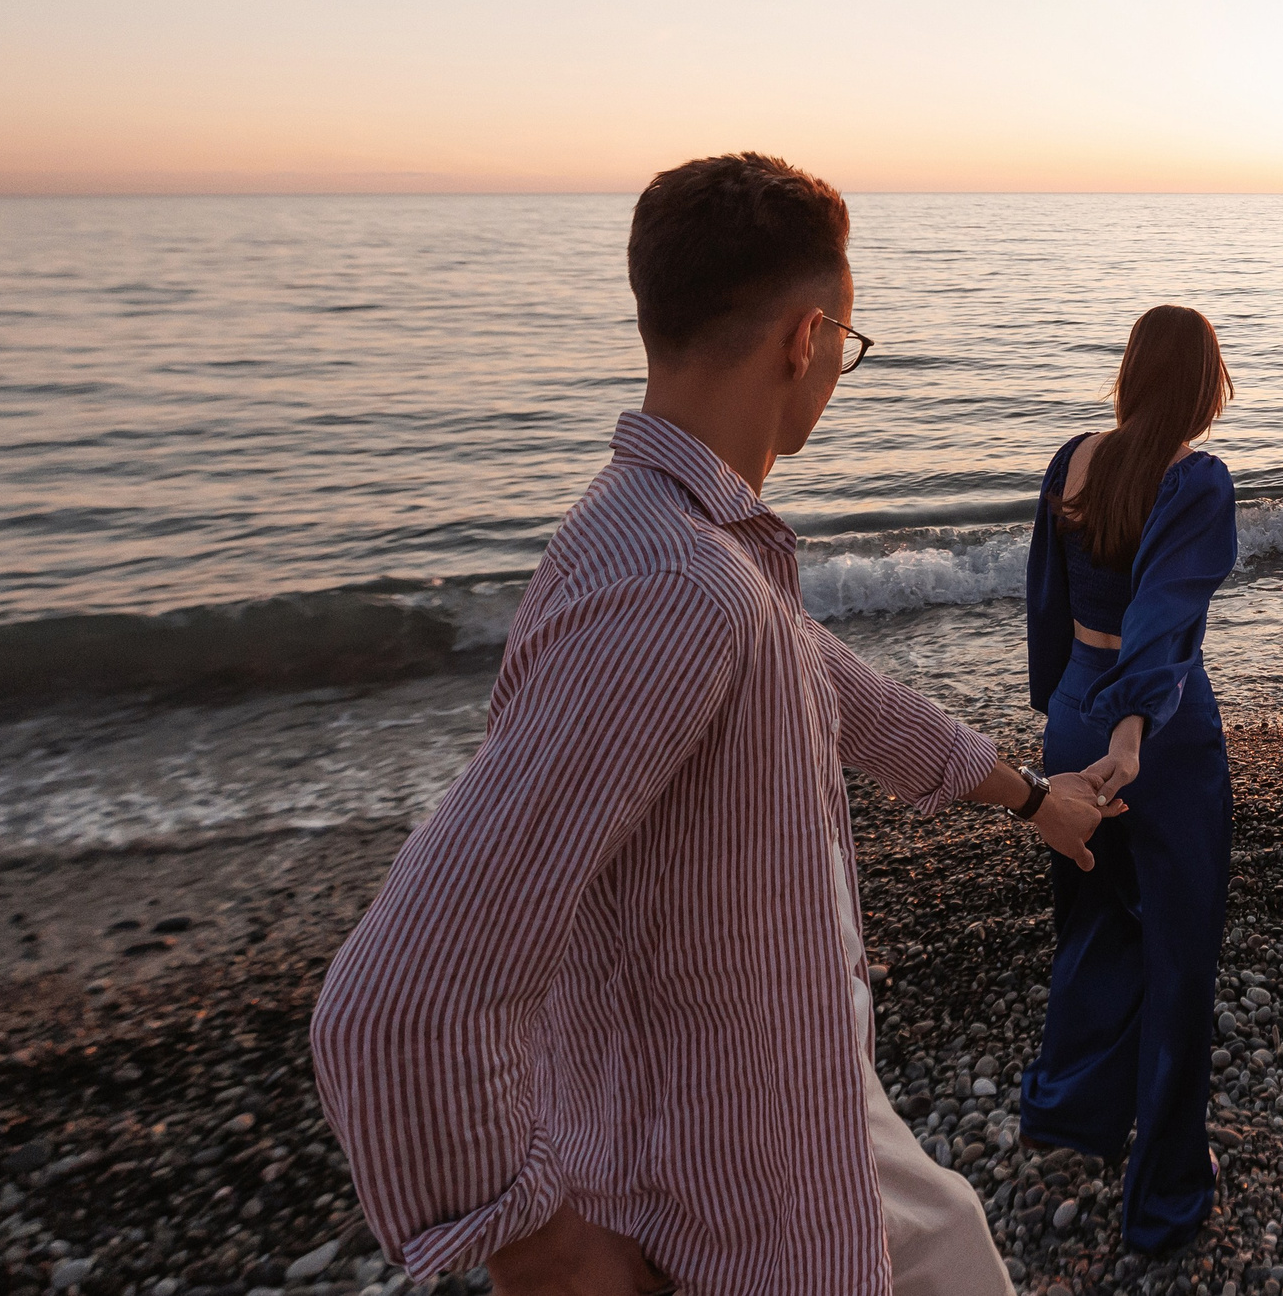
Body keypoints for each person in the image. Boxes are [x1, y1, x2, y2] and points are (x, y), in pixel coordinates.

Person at [309, 153, 1121, 1296]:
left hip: (802, 1105)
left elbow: (847, 696)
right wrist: (539, 1249)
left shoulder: (682, 544)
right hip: (716, 1195)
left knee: (957, 1255)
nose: (839, 365)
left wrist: (1037, 801)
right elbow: (400, 1003)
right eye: (848, 339)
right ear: (807, 337)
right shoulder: (677, 589)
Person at [1018, 305, 1240, 1256]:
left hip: (1076, 707)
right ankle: (1165, 1198)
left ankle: (1073, 1111)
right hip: (1159, 732)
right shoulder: (1196, 479)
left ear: (1129, 372)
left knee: (1098, 915)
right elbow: (1163, 610)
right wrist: (1136, 728)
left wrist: (1063, 709)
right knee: (1180, 954)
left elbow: (1046, 600)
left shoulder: (1074, 458)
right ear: (1202, 384)